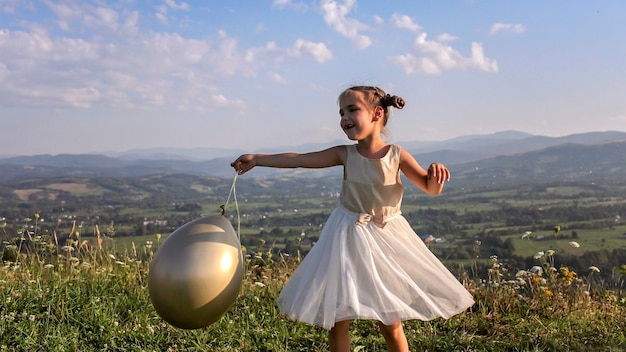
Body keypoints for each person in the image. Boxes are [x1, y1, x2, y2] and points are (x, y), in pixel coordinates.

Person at [231, 85, 474, 352]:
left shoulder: (397, 155)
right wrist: (257, 159)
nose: (344, 118)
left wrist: (436, 174)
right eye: (341, 112)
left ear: (377, 114)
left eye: (352, 110)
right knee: (338, 318)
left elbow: (430, 188)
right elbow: (300, 159)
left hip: (386, 240)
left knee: (390, 319)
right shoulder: (345, 154)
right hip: (345, 235)